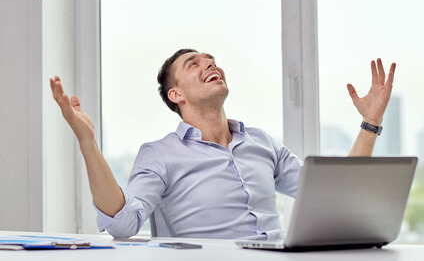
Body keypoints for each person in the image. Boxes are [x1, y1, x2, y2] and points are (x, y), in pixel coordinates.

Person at [50, 48, 396, 240]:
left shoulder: (261, 143)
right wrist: (88, 142)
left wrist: (371, 123)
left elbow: (335, 196)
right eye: (194, 64)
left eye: (211, 60)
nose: (210, 64)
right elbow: (123, 224)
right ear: (176, 94)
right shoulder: (160, 155)